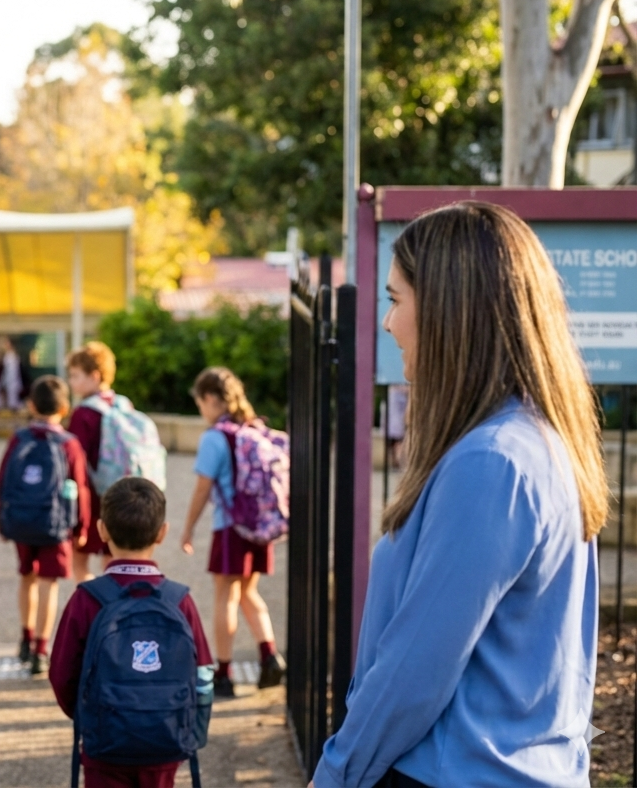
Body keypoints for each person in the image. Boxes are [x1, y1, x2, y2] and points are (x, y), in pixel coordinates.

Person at [311, 203, 609, 788]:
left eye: (396, 300)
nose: (389, 323)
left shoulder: (490, 463)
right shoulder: (534, 442)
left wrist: (334, 774)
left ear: (452, 310)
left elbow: (413, 671)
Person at [50, 477, 213, 788]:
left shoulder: (87, 599)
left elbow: (62, 675)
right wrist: (188, 728)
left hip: (106, 745)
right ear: (162, 533)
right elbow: (203, 676)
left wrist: (92, 717)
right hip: (165, 742)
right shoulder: (179, 600)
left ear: (101, 530)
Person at [179, 366, 286, 697]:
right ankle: (269, 656)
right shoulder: (253, 430)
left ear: (211, 399)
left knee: (225, 596)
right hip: (256, 527)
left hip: (229, 529)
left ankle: (223, 673)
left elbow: (201, 489)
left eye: (200, 404)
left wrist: (187, 531)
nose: (201, 411)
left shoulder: (215, 437)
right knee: (248, 593)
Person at [0, 375, 90, 675]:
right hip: (55, 524)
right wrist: (82, 527)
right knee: (49, 582)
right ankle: (41, 647)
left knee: (27, 576)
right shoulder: (69, 444)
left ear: (31, 405)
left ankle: (24, 637)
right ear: (64, 408)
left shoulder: (19, 439)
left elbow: (2, 479)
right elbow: (79, 486)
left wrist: (3, 519)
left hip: (22, 521)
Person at [66, 342, 119, 582]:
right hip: (119, 492)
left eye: (76, 375)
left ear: (94, 376)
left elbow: (75, 461)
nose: (71, 382)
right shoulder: (122, 405)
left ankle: (92, 609)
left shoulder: (83, 413)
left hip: (91, 496)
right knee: (113, 557)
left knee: (80, 559)